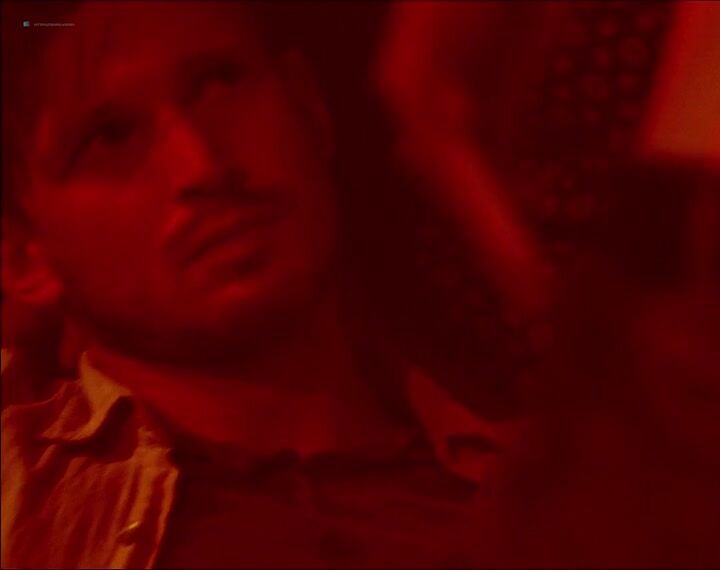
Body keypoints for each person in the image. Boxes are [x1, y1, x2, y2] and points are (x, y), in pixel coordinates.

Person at [0, 3, 519, 567]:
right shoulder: (21, 498)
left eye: (218, 83)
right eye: (110, 136)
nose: (201, 165)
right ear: (23, 258)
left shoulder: (548, 487)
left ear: (308, 105)